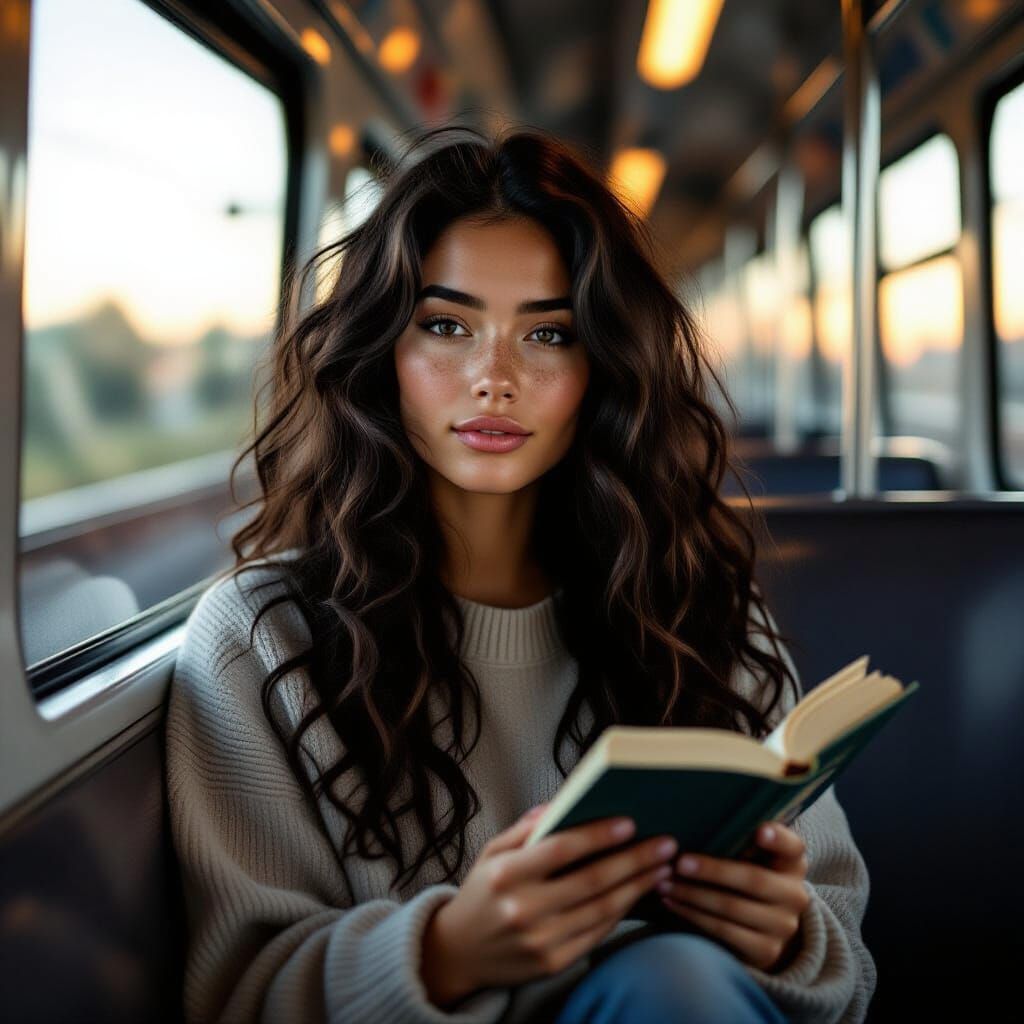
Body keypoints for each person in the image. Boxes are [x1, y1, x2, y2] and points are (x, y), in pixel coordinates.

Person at [165, 123, 877, 1024]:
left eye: (548, 334)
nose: (494, 378)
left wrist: (782, 937)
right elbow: (239, 993)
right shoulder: (262, 636)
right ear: (382, 350)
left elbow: (843, 955)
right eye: (447, 325)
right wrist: (447, 954)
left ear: (603, 367)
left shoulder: (695, 601)